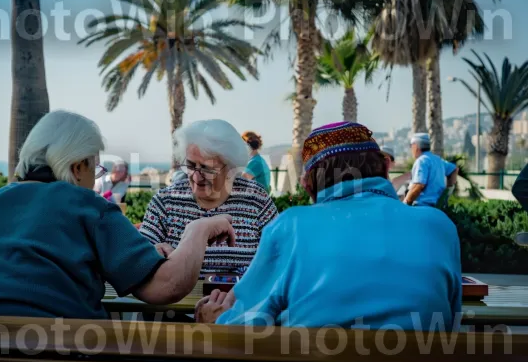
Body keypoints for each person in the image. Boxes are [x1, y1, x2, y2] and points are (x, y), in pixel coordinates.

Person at [0, 110, 235, 319]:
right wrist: (198, 230)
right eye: (95, 168)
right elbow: (166, 287)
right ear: (78, 166)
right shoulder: (86, 204)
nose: (95, 179)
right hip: (64, 354)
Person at [195, 121, 462, 331]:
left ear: (308, 184)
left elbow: (246, 325)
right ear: (385, 167)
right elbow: (450, 322)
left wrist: (214, 321)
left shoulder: (291, 227)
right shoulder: (439, 227)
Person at [139, 119, 279, 277]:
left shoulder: (256, 200)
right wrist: (151, 254)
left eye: (207, 168)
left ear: (231, 168)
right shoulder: (166, 201)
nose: (196, 177)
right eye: (191, 165)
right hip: (176, 300)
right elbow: (138, 259)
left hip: (239, 299)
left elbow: (282, 256)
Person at [403, 133, 458, 207]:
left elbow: (418, 186)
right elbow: (454, 169)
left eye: (411, 146)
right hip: (438, 207)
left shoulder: (421, 161)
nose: (411, 149)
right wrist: (447, 192)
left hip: (422, 207)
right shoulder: (438, 160)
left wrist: (405, 204)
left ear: (415, 146)